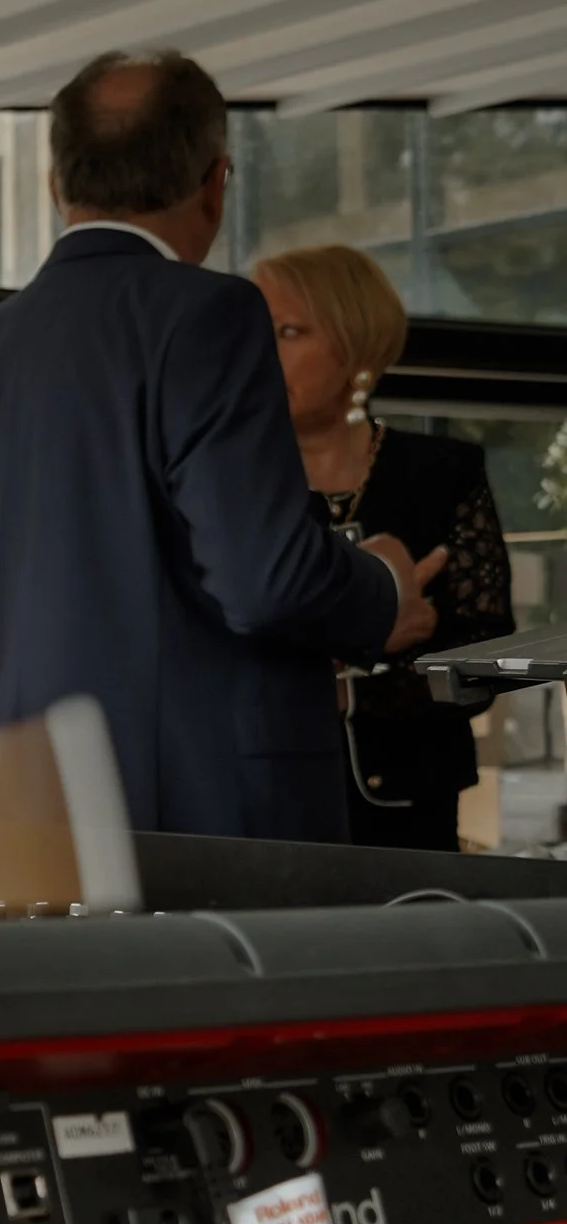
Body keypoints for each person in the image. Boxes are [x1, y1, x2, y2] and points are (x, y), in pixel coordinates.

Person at [0, 50, 443, 839]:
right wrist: (383, 588)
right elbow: (263, 579)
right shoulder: (211, 315)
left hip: (28, 828)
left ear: (56, 186)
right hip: (209, 829)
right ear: (216, 184)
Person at [251, 241, 514, 853]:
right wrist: (374, 628)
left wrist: (347, 691)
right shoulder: (230, 481)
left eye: (288, 331)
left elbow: (482, 659)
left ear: (357, 349)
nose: (259, 352)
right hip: (265, 810)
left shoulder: (443, 472)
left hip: (413, 812)